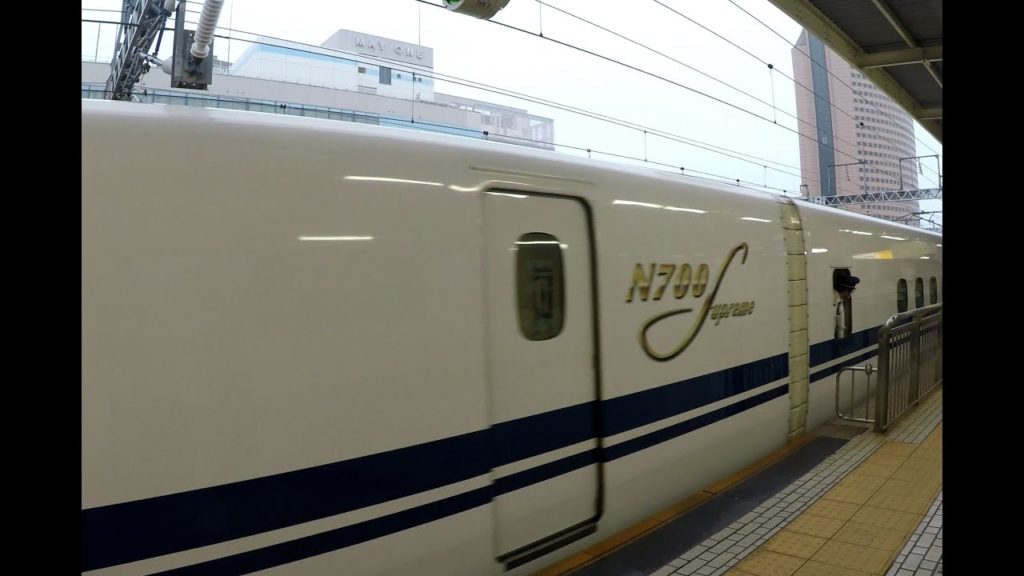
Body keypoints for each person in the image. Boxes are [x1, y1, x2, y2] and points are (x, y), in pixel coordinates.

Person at [834, 273, 860, 339]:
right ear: (846, 290)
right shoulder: (834, 303)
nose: (850, 295)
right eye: (851, 292)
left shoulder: (839, 301)